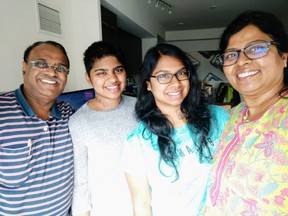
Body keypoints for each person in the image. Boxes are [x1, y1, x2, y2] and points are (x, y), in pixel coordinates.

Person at [121, 43, 229, 216]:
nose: (176, 83)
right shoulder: (137, 143)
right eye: (163, 76)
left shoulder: (218, 117)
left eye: (181, 73)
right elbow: (142, 204)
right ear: (148, 84)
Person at [201, 11, 288, 215]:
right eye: (232, 54)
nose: (242, 61)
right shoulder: (238, 113)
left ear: (284, 57)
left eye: (257, 48)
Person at [0, 41, 74, 215]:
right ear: (24, 68)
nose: (52, 72)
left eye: (61, 68)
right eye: (41, 64)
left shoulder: (70, 116)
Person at [69, 41, 138, 216]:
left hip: (146, 207)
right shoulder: (79, 122)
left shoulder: (141, 108)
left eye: (118, 70)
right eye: (101, 73)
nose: (113, 79)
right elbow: (80, 181)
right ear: (88, 77)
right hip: (105, 209)